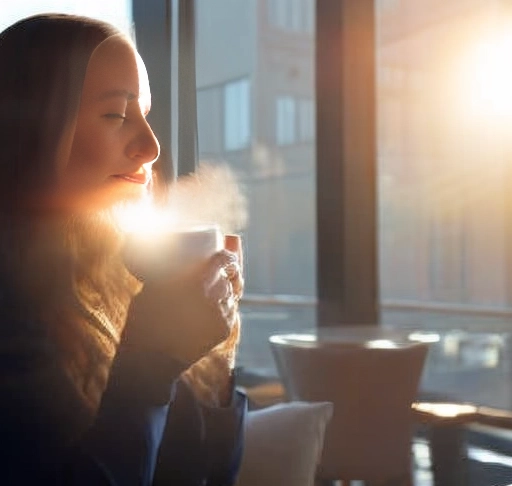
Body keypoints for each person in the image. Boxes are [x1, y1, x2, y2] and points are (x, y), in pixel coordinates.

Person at [0, 13, 246, 485]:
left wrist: (215, 352)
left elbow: (203, 475)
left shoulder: (115, 280)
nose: (151, 147)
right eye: (116, 114)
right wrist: (150, 361)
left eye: (146, 115)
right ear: (32, 130)